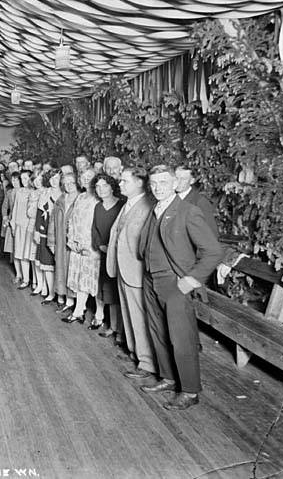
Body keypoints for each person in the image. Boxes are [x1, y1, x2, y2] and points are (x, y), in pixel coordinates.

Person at [138, 165, 223, 411]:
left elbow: (213, 251)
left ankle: (190, 390)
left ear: (175, 184)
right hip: (151, 279)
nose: (157, 188)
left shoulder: (188, 211)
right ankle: (168, 378)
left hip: (175, 282)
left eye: (163, 182)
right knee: (158, 331)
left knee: (181, 337)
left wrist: (191, 280)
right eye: (153, 183)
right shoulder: (155, 209)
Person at [108, 166, 156, 380]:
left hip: (136, 271)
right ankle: (135, 353)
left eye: (124, 181)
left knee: (139, 317)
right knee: (128, 314)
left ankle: (147, 363)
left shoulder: (148, 206)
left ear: (139, 182)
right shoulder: (128, 204)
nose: (120, 184)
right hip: (123, 268)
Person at [62, 169, 99, 324]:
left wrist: (89, 244)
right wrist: (71, 240)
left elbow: (98, 224)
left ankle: (96, 315)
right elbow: (72, 220)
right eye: (83, 177)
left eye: (89, 177)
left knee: (90, 281)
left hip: (90, 246)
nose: (85, 180)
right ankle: (79, 309)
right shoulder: (80, 197)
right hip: (76, 245)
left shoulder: (98, 198)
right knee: (79, 280)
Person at [91, 173, 125, 333]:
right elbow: (94, 230)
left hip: (117, 255)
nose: (101, 189)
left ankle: (117, 329)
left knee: (115, 293)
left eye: (105, 185)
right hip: (103, 254)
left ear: (112, 187)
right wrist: (99, 245)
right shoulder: (98, 207)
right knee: (104, 290)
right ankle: (107, 322)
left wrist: (112, 248)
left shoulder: (122, 205)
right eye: (98, 186)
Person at [48, 172, 80, 313]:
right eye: (65, 183)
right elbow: (52, 221)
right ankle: (65, 299)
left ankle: (75, 302)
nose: (68, 186)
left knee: (73, 271)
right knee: (61, 269)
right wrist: (51, 241)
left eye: (71, 182)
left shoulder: (81, 199)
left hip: (74, 242)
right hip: (60, 240)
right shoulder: (60, 199)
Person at [33, 169, 59, 301]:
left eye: (57, 178)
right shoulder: (45, 193)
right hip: (45, 231)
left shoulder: (65, 194)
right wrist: (37, 230)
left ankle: (61, 296)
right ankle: (51, 292)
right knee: (47, 264)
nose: (54, 181)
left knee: (59, 264)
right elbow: (39, 213)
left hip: (59, 233)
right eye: (52, 178)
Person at [175, 165, 217, 238]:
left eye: (183, 179)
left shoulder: (200, 202)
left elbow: (212, 234)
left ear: (192, 181)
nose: (178, 182)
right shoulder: (168, 199)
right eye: (176, 178)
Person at [11, 170, 36, 289]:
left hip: (30, 227)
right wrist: (13, 224)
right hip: (19, 225)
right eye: (22, 179)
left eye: (26, 178)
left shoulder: (34, 192)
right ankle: (24, 278)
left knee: (29, 255)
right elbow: (15, 208)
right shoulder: (19, 192)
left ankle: (33, 281)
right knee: (19, 252)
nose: (24, 181)